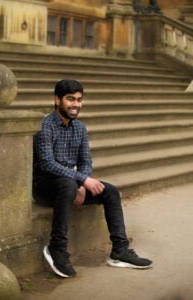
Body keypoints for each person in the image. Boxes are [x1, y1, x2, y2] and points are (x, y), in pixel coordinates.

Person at [33, 79, 152, 278]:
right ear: (57, 100)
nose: (76, 105)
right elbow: (47, 164)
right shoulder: (47, 125)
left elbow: (86, 161)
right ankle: (57, 248)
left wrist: (82, 181)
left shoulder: (80, 128)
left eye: (79, 100)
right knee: (68, 185)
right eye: (70, 99)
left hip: (70, 184)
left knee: (110, 192)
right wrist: (81, 180)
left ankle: (119, 251)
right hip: (45, 186)